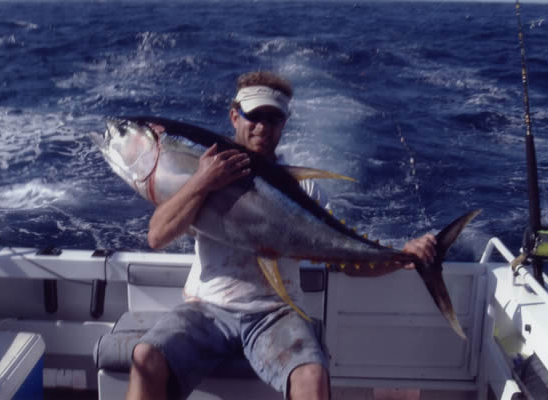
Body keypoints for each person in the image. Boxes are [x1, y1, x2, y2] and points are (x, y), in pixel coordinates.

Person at [126, 71, 437, 400]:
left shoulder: (304, 189)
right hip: (206, 309)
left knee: (313, 378)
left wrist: (404, 255)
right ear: (234, 116)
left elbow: (344, 260)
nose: (262, 128)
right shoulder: (201, 172)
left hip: (274, 313)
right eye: (253, 117)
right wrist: (203, 181)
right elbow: (157, 236)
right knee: (145, 358)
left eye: (273, 119)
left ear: (284, 124)